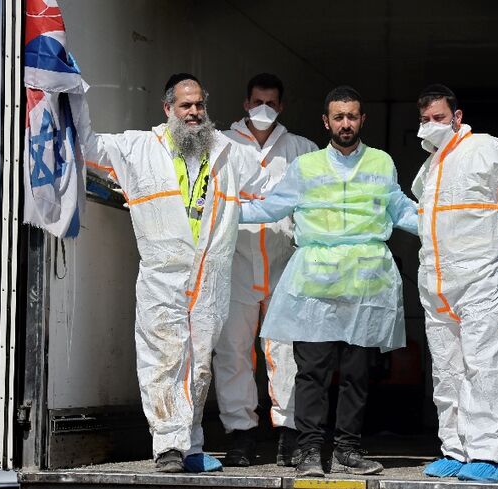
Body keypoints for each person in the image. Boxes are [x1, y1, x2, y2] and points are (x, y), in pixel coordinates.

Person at [84, 73, 264, 473]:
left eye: (199, 105)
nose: (195, 113)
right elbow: (87, 145)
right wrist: (73, 96)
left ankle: (192, 446)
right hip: (163, 275)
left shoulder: (227, 152)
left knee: (199, 365)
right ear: (168, 109)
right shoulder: (138, 148)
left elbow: (272, 188)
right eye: (186, 106)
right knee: (164, 359)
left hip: (209, 275)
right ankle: (167, 446)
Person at [239, 86, 418, 477]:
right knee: (313, 373)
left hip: (365, 286)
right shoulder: (306, 167)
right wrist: (222, 211)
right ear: (326, 122)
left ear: (362, 119)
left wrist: (447, 227)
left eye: (352, 116)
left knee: (357, 374)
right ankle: (309, 452)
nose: (346, 124)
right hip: (315, 288)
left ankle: (348, 450)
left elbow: (401, 208)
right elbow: (272, 206)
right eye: (339, 117)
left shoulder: (382, 162)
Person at [410, 84, 498, 482]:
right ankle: (453, 450)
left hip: (482, 279)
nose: (432, 126)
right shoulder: (430, 167)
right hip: (436, 283)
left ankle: (485, 453)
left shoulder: (486, 149)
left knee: (484, 366)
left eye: (439, 118)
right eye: (425, 120)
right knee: (447, 371)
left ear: (457, 117)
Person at [213, 73, 318, 467]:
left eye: (271, 103)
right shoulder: (220, 144)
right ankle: (240, 434)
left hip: (283, 263)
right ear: (245, 103)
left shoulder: (301, 149)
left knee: (286, 351)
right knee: (233, 351)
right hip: (234, 263)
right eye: (258, 101)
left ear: (282, 107)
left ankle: (289, 433)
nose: (264, 109)